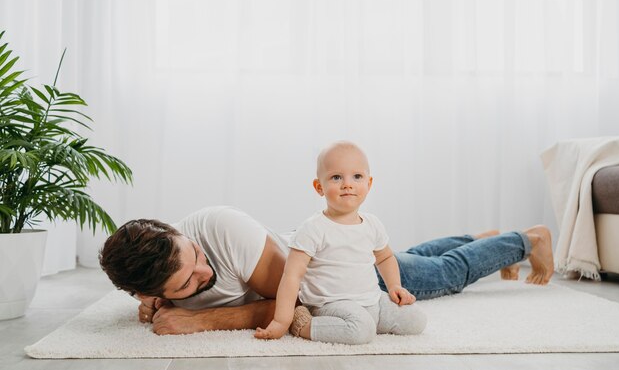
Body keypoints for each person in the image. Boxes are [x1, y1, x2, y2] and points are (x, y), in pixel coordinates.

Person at [99, 157, 554, 337]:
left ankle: (526, 240)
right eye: (187, 284)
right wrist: (158, 303)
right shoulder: (154, 274)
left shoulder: (221, 229)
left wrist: (197, 321)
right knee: (412, 255)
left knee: (440, 277)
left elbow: (295, 303)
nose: (202, 269)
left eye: (195, 255)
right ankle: (481, 241)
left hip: (338, 276)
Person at [254, 142, 426, 344]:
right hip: (330, 304)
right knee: (361, 331)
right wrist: (281, 320)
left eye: (357, 176)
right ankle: (304, 324)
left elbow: (385, 257)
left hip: (371, 300)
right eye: (336, 177)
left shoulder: (372, 224)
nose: (348, 184)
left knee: (416, 320)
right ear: (319, 187)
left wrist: (395, 286)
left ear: (369, 184)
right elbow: (292, 276)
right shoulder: (313, 228)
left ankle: (365, 323)